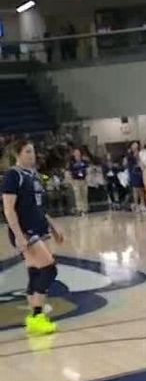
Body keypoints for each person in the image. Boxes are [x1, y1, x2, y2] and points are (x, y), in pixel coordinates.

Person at [3, 139, 65, 335]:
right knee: (49, 269)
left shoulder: (35, 175)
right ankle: (37, 316)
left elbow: (39, 207)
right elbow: (9, 209)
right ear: (18, 154)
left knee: (35, 272)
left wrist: (53, 226)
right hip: (26, 230)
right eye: (28, 151)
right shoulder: (13, 175)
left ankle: (34, 318)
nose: (33, 155)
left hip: (39, 227)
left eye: (33, 151)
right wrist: (19, 235)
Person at [68, 147, 89, 216]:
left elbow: (87, 169)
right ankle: (79, 209)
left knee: (84, 194)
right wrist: (72, 180)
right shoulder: (72, 162)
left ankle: (85, 209)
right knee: (77, 195)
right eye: (76, 152)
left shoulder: (84, 161)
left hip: (83, 179)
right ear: (74, 154)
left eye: (78, 152)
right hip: (76, 180)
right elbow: (70, 172)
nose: (77, 153)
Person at [126, 141, 146, 212]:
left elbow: (141, 162)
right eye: (133, 145)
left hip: (140, 172)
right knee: (135, 189)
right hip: (133, 172)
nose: (135, 147)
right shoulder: (129, 155)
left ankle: (142, 204)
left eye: (136, 145)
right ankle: (136, 204)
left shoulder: (141, 153)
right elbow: (129, 164)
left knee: (141, 189)